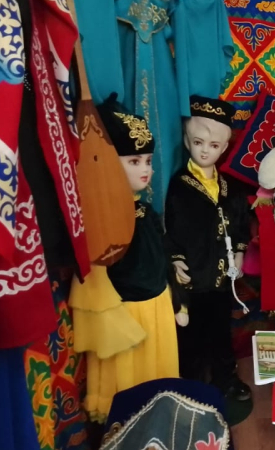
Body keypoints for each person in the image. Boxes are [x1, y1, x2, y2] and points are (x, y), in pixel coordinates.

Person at [72, 97, 180, 421]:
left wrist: (176, 297)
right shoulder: (101, 219)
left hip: (158, 304)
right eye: (134, 161)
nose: (146, 169)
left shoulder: (146, 211)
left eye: (147, 161)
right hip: (127, 314)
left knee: (157, 377)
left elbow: (161, 254)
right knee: (130, 384)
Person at [165, 96, 251, 401]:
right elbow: (173, 227)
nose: (205, 151)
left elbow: (240, 224)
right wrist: (176, 260)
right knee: (191, 336)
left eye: (213, 145)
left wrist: (239, 253)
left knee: (221, 332)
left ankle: (226, 379)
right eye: (198, 143)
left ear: (223, 148)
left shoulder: (230, 188)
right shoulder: (179, 186)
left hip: (222, 277)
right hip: (194, 276)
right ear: (187, 142)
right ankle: (191, 385)